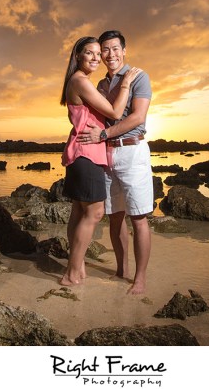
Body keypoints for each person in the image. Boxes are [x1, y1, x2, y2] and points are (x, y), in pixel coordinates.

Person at [59, 36, 141, 287]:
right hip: (87, 154)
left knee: (78, 212)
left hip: (80, 152)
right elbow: (116, 113)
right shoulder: (81, 81)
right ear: (78, 57)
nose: (96, 58)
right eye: (89, 53)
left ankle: (77, 265)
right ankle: (72, 273)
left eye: (98, 53)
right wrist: (126, 83)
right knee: (94, 212)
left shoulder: (79, 81)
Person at [77, 30, 153, 295]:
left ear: (124, 50)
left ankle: (140, 279)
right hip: (106, 154)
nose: (110, 55)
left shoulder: (139, 77)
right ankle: (122, 270)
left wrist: (104, 134)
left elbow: (138, 117)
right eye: (104, 50)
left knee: (139, 218)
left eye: (114, 49)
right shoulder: (100, 85)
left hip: (132, 152)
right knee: (115, 216)